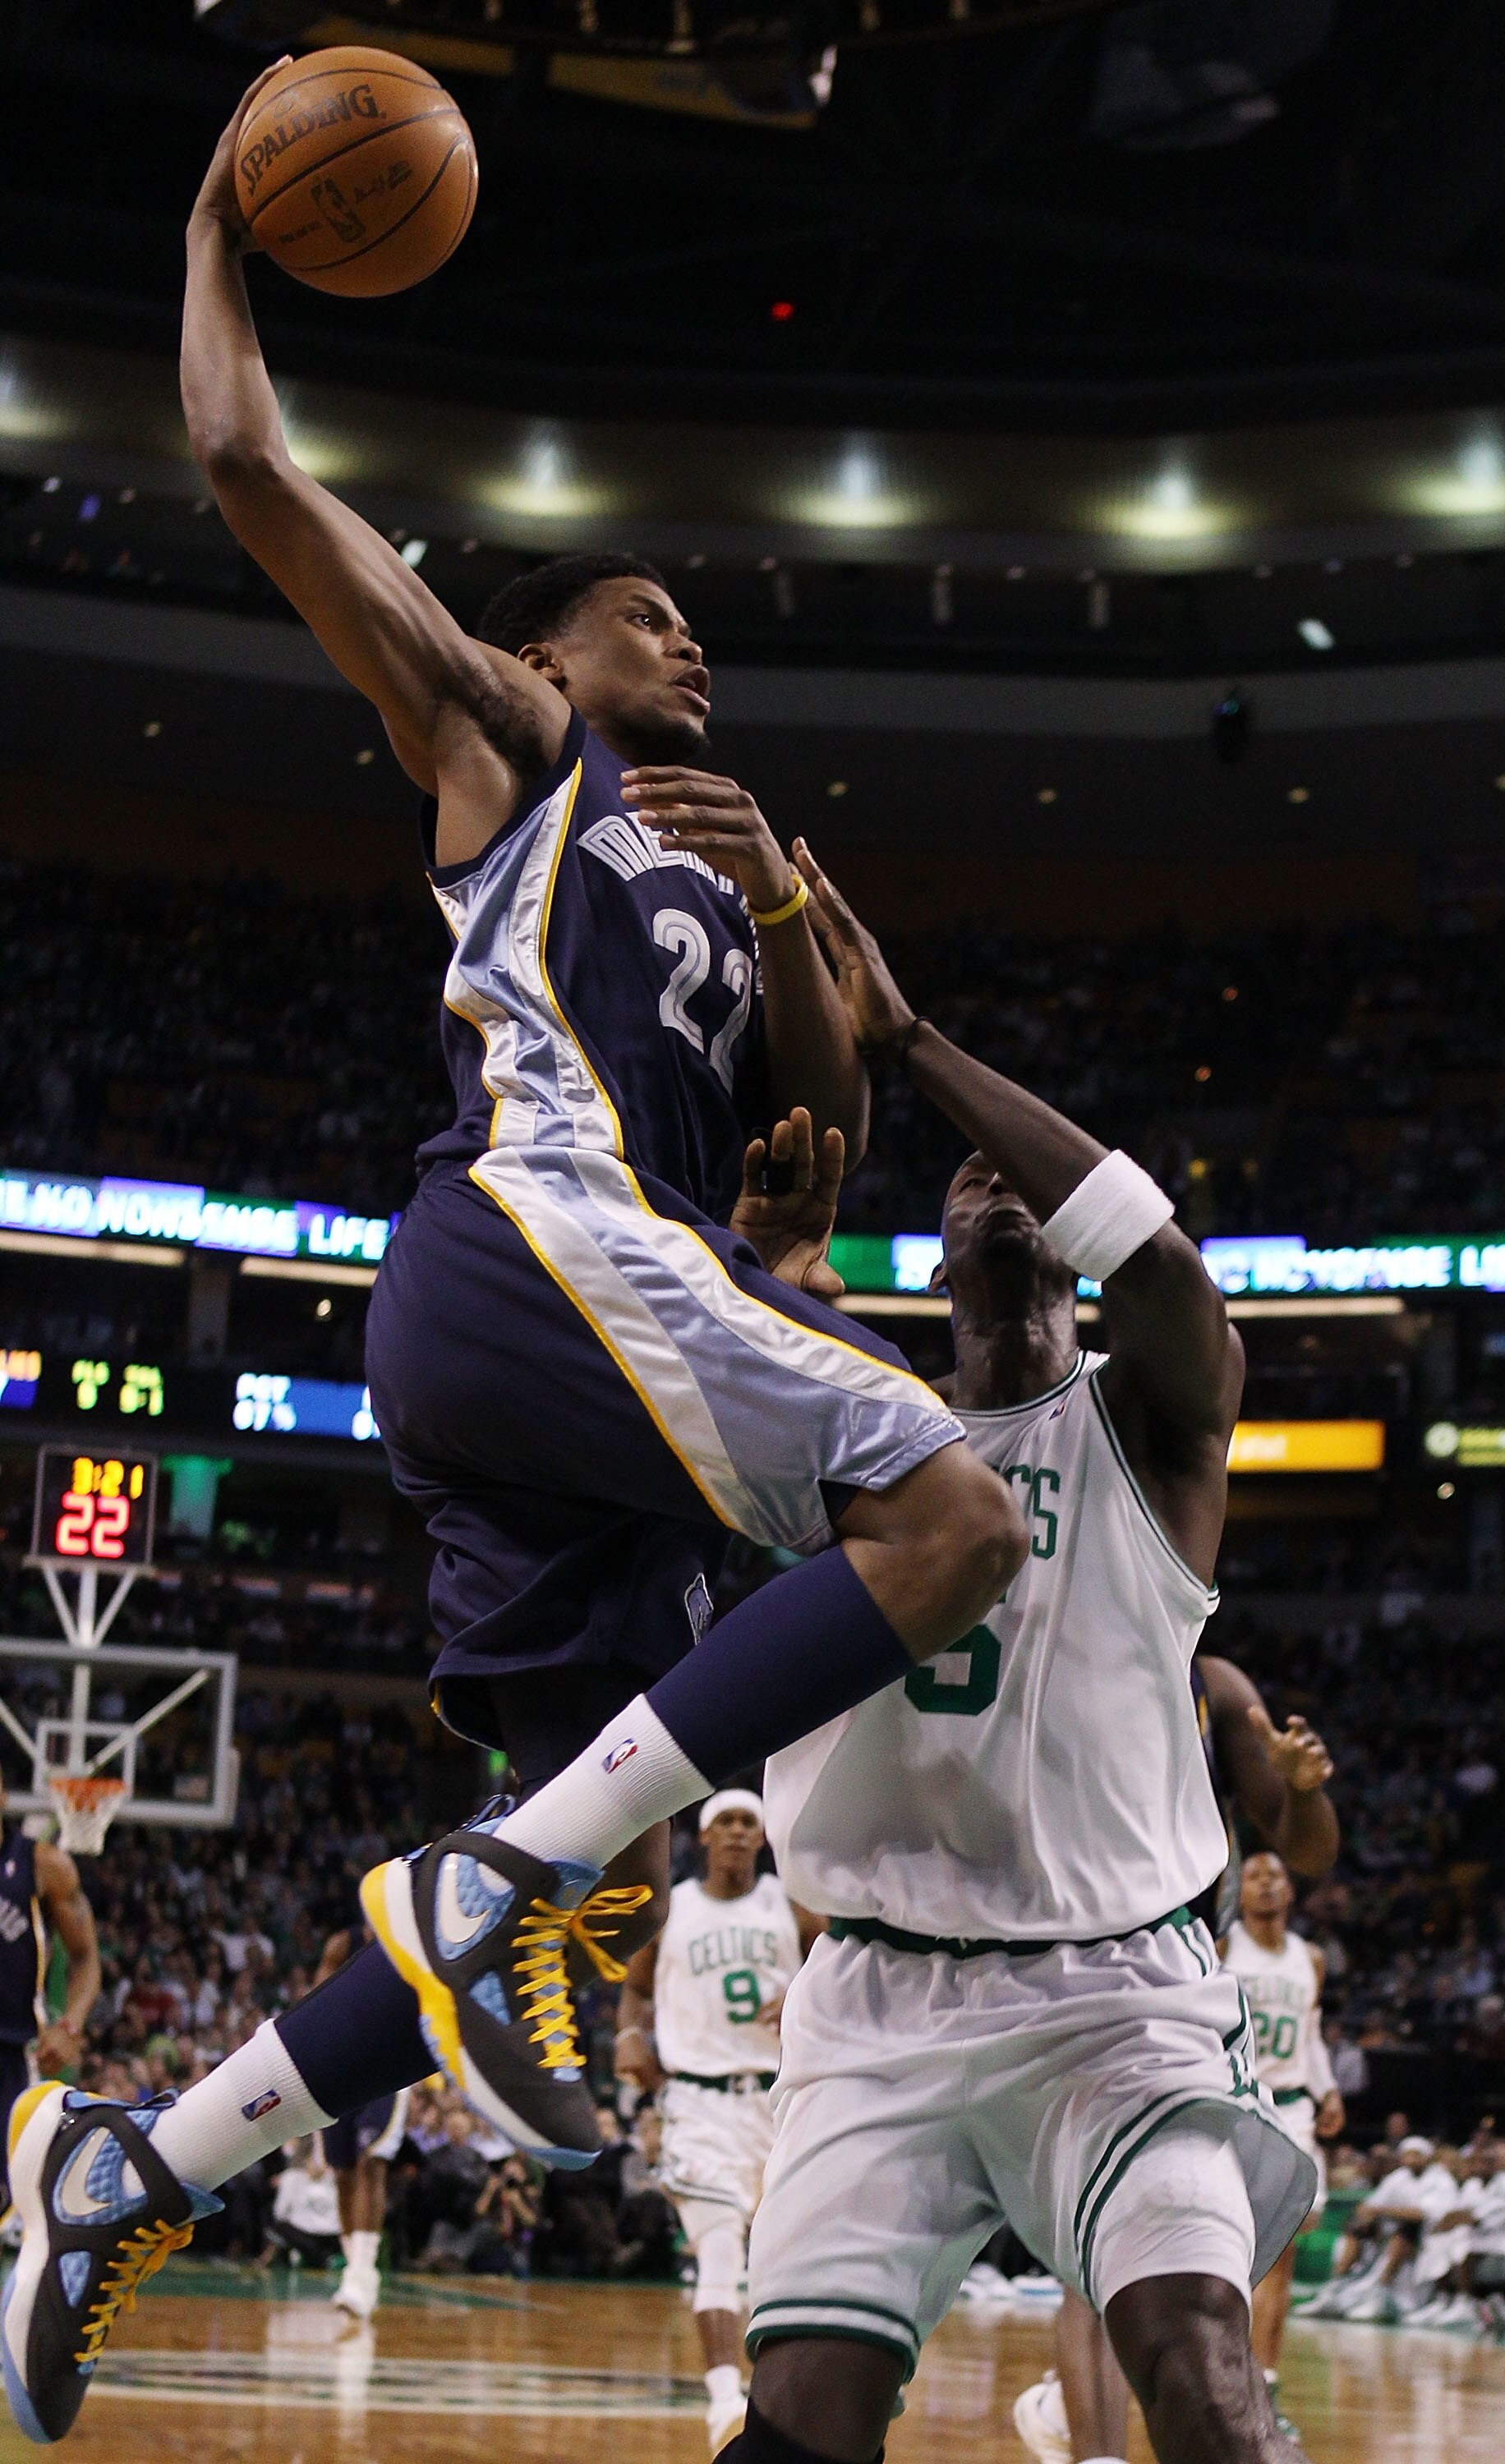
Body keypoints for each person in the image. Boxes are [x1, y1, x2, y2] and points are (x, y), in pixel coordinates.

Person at [2, 73, 1029, 2448]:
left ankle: (134, 2166)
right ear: (548, 656)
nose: (692, 645)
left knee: (577, 1860)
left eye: (696, 632)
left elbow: (821, 1146)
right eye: (646, 620)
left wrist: (787, 921)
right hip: (535, 1253)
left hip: (620, 1326)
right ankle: (473, 1920)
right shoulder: (504, 747)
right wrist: (218, 220)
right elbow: (251, 465)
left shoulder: (731, 862)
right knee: (956, 1513)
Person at [728, 855, 1316, 2464]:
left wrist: (911, 1047)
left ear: (1065, 1246)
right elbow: (683, 1392)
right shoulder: (850, 1428)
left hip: (1115, 1998)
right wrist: (747, 1275)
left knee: (1197, 2373)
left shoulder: (1154, 1422)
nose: (988, 1180)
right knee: (803, 2421)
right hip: (875, 1997)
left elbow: (1171, 1274)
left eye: (1020, 1176)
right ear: (928, 1268)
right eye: (959, 1180)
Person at [1017, 1666, 1340, 2464]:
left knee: (1195, 2249)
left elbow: (1311, 1849)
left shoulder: (1217, 1685)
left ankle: (1073, 2413)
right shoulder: (1053, 1650)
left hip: (1183, 1973)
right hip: (1070, 1965)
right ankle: (1092, 2444)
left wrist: (1299, 1792)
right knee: (1096, 2242)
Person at [616, 1791, 822, 2454]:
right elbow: (636, 1988)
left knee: (781, 2261)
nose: (737, 1834)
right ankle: (723, 2398)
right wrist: (627, 2033)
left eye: (748, 1824)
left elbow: (841, 1964)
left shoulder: (787, 1904)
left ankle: (769, 2397)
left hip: (778, 2098)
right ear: (703, 1836)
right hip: (698, 2101)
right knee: (718, 2253)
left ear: (762, 1838)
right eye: (725, 1823)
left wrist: (803, 1994)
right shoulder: (673, 1909)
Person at [1220, 1854, 1343, 2420]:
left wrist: (1330, 2089)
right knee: (1228, 2246)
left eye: (1277, 1875)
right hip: (1236, 2102)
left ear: (1292, 1890)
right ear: (1239, 1892)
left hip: (1293, 2110)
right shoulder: (1223, 1950)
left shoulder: (1310, 1959)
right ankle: (1218, 2373)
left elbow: (1312, 2035)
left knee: (1282, 2253)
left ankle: (1264, 2381)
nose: (1268, 1883)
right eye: (1256, 1876)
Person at [0, 1783, 100, 2208]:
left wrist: (70, 2024)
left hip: (13, 2053)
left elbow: (85, 1957)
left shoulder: (42, 1865)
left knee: (19, 2198)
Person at [312, 1924, 410, 2321]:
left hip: (391, 2063)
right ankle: (356, 2275)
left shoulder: (411, 1939)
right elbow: (318, 2002)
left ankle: (362, 2270)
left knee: (372, 2160)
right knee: (343, 2171)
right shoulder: (342, 1943)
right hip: (342, 2061)